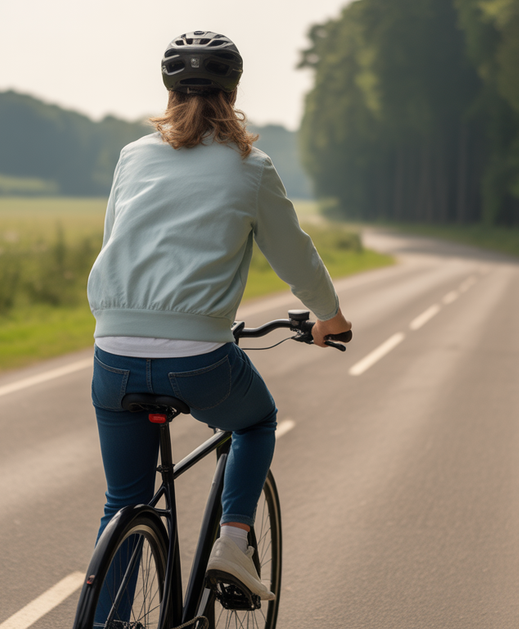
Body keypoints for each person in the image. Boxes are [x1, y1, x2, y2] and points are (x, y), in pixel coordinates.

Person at [87, 30, 351, 607]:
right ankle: (233, 541)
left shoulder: (132, 155)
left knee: (123, 503)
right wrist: (328, 315)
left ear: (169, 90)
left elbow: (117, 240)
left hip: (115, 355)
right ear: (232, 92)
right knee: (257, 421)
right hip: (198, 360)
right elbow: (294, 254)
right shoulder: (251, 167)